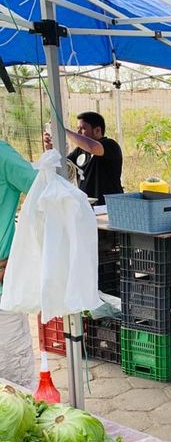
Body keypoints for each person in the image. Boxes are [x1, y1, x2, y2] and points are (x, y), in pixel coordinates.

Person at [0, 139, 37, 389]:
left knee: (15, 381)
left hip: (3, 295)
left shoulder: (3, 156)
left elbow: (48, 194)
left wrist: (27, 252)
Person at [43, 111, 123, 205]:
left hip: (110, 206)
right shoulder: (79, 151)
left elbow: (92, 147)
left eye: (83, 128)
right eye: (78, 128)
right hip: (88, 206)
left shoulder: (110, 145)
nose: (78, 132)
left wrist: (62, 131)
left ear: (97, 130)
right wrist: (51, 149)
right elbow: (64, 167)